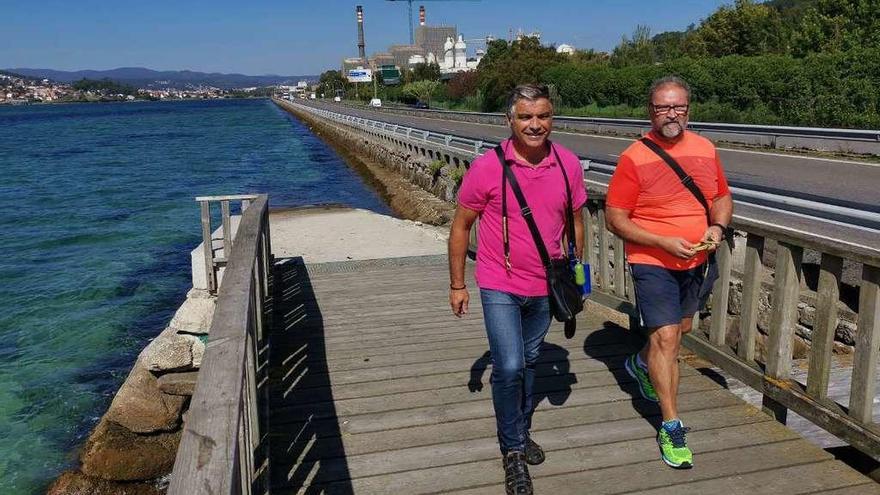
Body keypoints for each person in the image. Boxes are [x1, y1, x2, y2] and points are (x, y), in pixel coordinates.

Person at [448, 84, 586, 495]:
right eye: (525, 117)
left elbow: (576, 221)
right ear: (509, 120)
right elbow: (461, 227)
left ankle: (521, 430)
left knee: (527, 360)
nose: (535, 124)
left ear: (552, 118)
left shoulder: (568, 164)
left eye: (543, 116)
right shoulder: (488, 168)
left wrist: (578, 276)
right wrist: (458, 284)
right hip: (498, 282)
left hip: (546, 285)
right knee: (508, 367)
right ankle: (512, 451)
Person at [605, 76, 733, 469]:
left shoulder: (706, 149)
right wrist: (661, 241)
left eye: (678, 107)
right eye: (663, 107)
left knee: (681, 332)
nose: (671, 114)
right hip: (653, 262)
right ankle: (671, 425)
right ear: (651, 112)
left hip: (697, 260)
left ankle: (639, 363)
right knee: (666, 338)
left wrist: (717, 227)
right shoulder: (634, 157)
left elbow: (721, 197)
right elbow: (615, 218)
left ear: (689, 110)